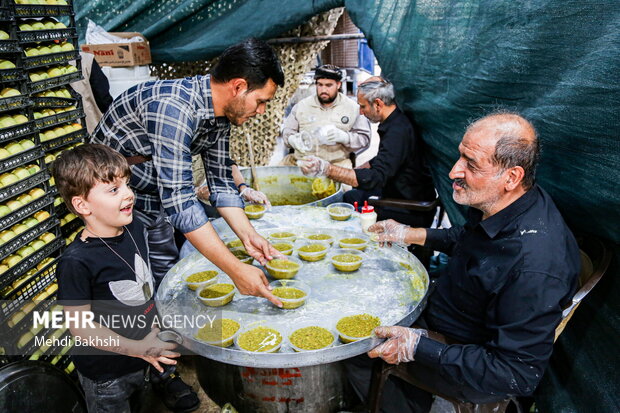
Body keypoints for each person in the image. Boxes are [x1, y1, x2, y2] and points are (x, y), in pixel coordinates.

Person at [345, 112, 581, 412]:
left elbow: (514, 374)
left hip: (468, 357)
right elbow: (470, 237)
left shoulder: (534, 267)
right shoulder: (508, 202)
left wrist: (419, 347)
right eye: (460, 157)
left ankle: (399, 401)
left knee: (357, 349)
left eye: (471, 164)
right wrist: (410, 233)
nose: (454, 171)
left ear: (511, 177)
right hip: (448, 310)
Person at [91, 38, 285, 307]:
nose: (261, 111)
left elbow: (222, 185)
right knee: (132, 285)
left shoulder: (220, 117)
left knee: (167, 272)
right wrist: (236, 270)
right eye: (260, 101)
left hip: (153, 194)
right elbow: (181, 203)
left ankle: (168, 330)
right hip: (112, 201)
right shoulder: (174, 107)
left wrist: (249, 236)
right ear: (238, 87)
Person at [53, 144, 199, 413]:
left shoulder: (134, 226)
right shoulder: (76, 263)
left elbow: (143, 290)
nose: (129, 194)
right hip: (107, 374)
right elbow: (82, 329)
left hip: (142, 356)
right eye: (113, 190)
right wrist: (137, 348)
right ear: (82, 204)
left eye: (127, 184)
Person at [298, 77, 436, 228]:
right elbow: (387, 158)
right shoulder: (396, 121)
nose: (361, 112)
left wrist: (326, 169)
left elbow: (376, 178)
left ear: (378, 104)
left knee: (347, 202)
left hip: (410, 208)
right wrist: (354, 171)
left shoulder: (397, 131)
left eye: (363, 107)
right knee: (352, 193)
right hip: (400, 191)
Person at [280, 64, 371, 168]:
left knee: (346, 183)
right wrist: (291, 139)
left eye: (328, 85)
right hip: (303, 163)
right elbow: (287, 132)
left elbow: (365, 139)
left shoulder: (353, 109)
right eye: (320, 85)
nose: (323, 90)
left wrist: (346, 138)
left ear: (338, 85)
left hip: (337, 165)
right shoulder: (301, 106)